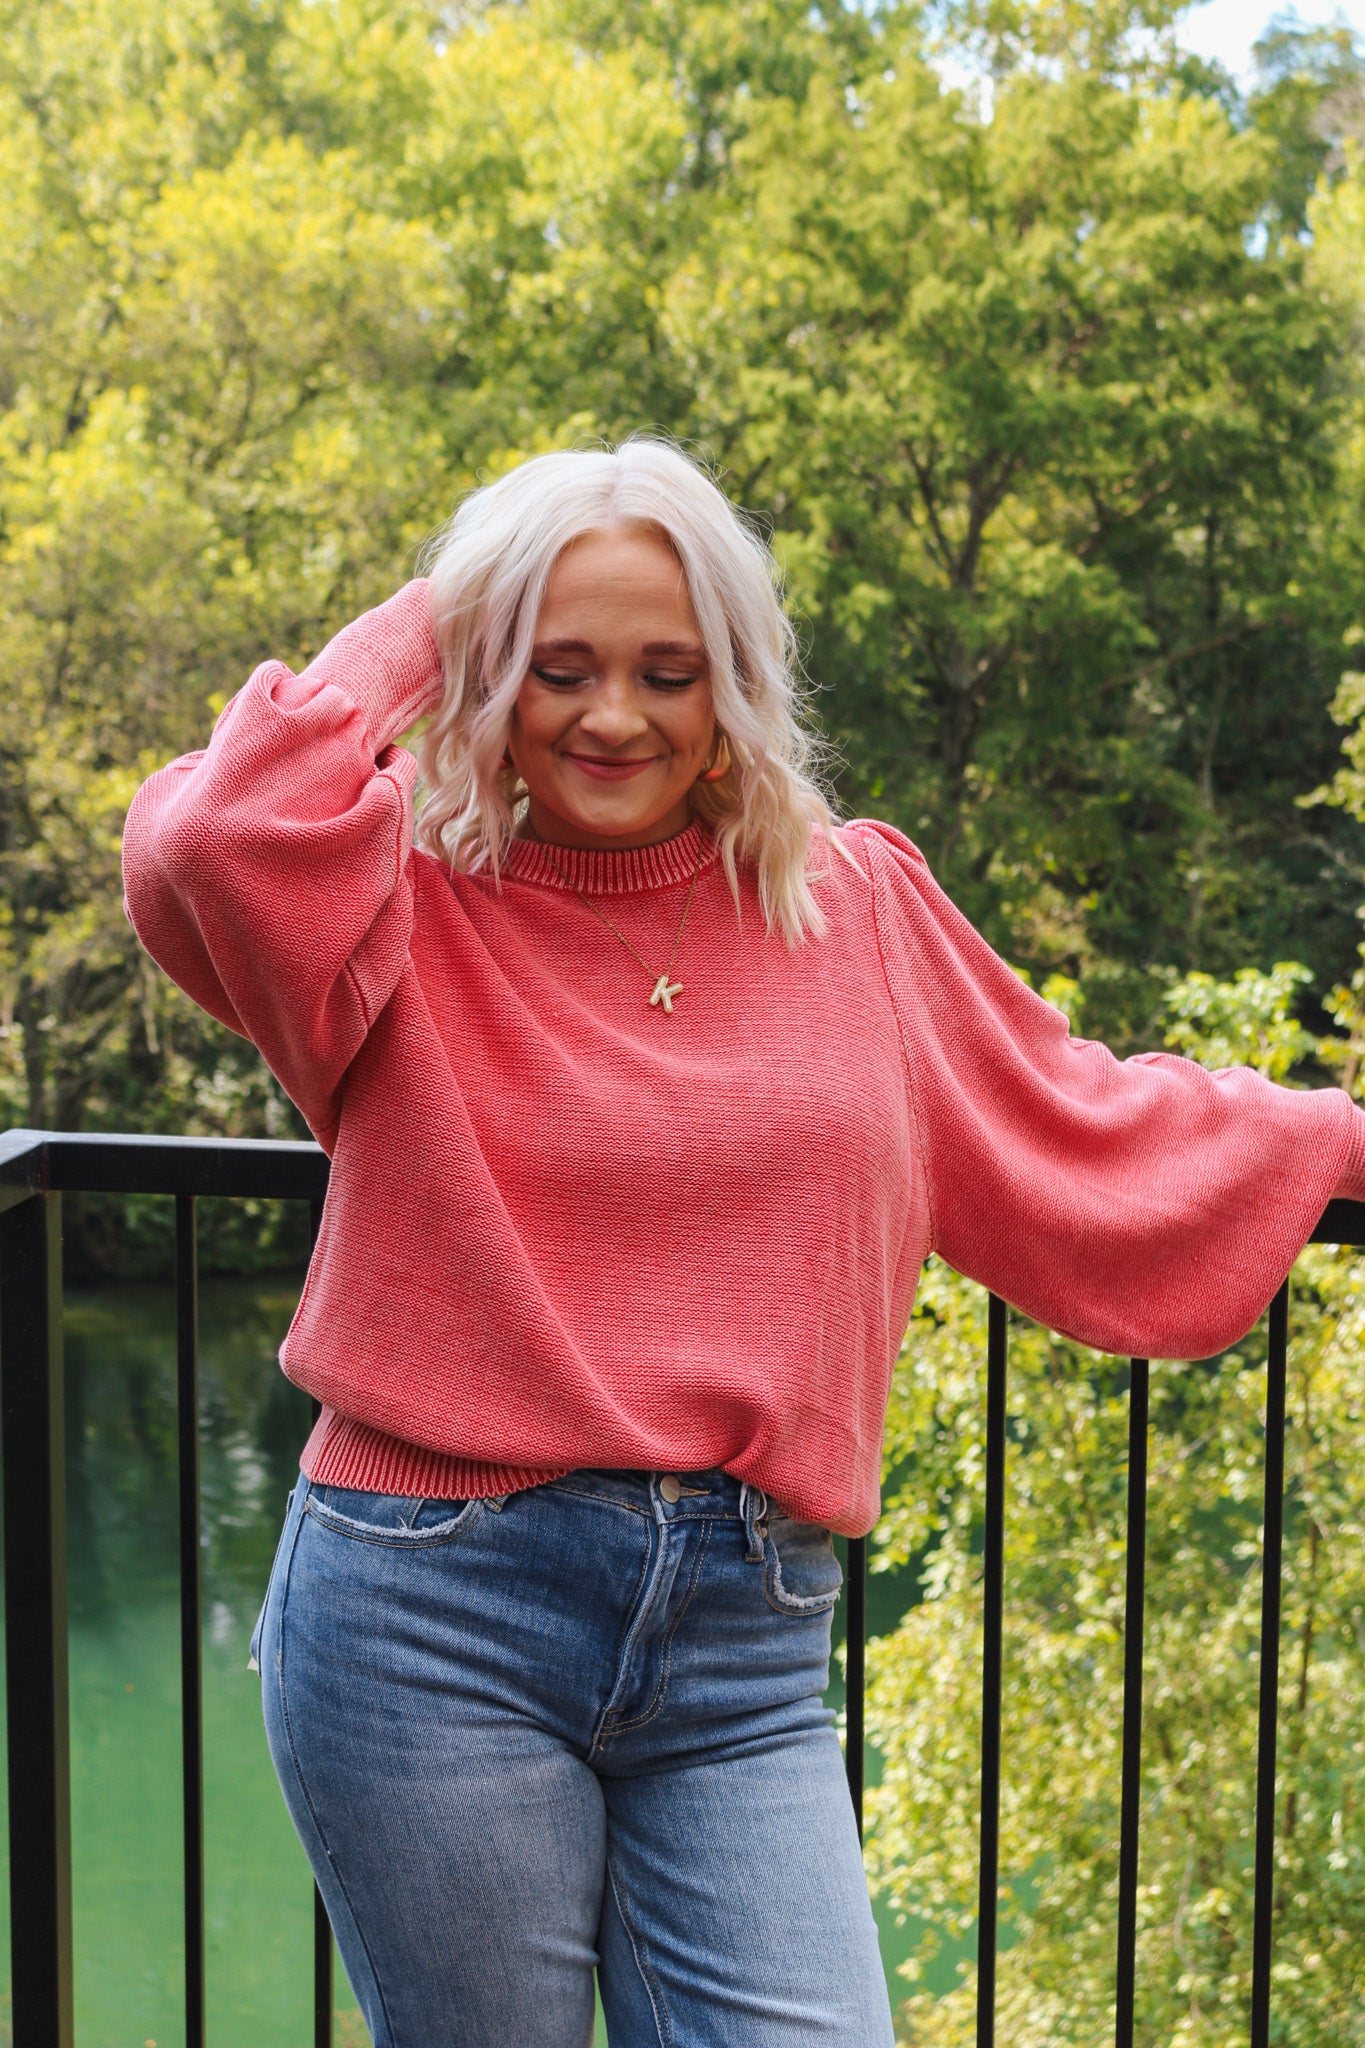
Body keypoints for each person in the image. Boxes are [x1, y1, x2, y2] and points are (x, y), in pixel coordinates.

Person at [122, 438, 1365, 2048]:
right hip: (429, 1619)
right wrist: (452, 606)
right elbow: (209, 842)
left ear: (733, 687)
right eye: (554, 666)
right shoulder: (390, 909)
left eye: (666, 667)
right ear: (485, 673)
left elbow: (1075, 1115)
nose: (613, 716)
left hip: (742, 1642)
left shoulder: (847, 908)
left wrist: (1336, 1138)